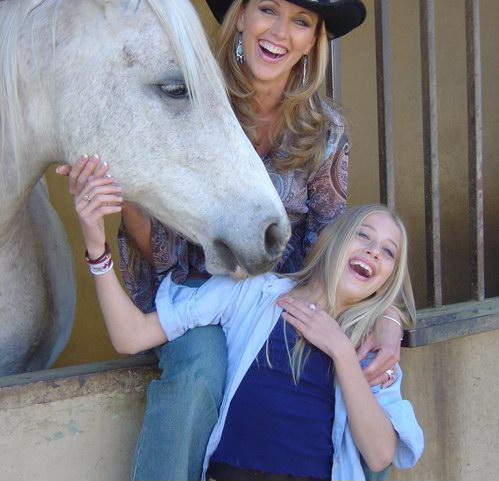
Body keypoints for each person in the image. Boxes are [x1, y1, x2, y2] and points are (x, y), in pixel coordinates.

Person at [58, 0, 405, 480]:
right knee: (201, 365)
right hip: (193, 292)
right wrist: (119, 191)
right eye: (267, 9)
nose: (279, 32)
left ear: (314, 40)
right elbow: (162, 252)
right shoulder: (187, 96)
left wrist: (385, 317)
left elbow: (332, 239)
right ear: (241, 15)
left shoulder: (326, 130)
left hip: (278, 303)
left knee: (364, 379)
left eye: (300, 21)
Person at [70, 164, 424, 481]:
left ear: (387, 279)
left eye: (388, 251)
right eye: (363, 235)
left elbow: (379, 455)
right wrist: (96, 246)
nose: (374, 251)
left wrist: (342, 352)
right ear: (335, 239)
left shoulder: (369, 349)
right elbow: (131, 336)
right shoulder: (252, 292)